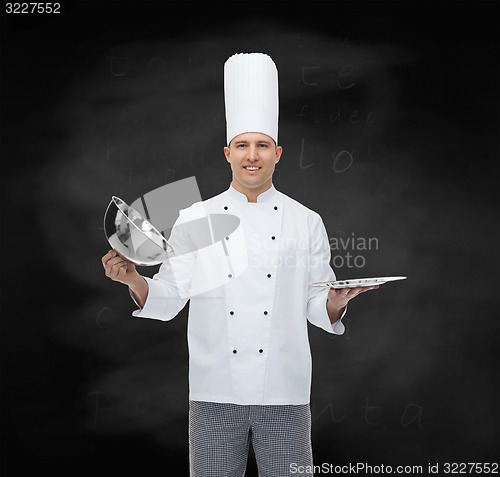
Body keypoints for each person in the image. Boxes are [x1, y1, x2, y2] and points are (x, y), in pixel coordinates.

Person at [102, 53, 378, 477]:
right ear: (227, 152)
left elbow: (316, 305)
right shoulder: (196, 217)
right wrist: (134, 277)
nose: (253, 156)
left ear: (278, 153)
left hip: (286, 395)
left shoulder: (306, 221)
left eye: (263, 145)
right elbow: (172, 294)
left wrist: (337, 302)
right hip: (214, 392)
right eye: (244, 146)